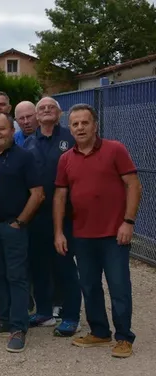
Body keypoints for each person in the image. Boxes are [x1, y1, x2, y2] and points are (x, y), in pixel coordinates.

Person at [55, 104, 141, 358]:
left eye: (85, 123)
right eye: (75, 124)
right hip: (82, 235)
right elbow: (60, 196)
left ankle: (124, 337)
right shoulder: (66, 159)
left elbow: (134, 185)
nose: (80, 128)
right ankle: (100, 332)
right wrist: (59, 231)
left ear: (95, 125)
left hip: (114, 234)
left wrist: (128, 221)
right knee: (90, 286)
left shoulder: (116, 149)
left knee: (119, 286)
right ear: (69, 128)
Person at [0, 114, 44, 353]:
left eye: (1, 129)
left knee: (17, 277)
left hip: (12, 227)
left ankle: (18, 327)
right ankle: (2, 320)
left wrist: (21, 221)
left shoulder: (25, 157)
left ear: (12, 130)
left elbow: (37, 193)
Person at [24, 97, 82, 336]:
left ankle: (71, 316)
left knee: (64, 266)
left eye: (51, 107)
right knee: (38, 266)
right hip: (36, 216)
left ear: (60, 113)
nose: (46, 110)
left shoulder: (71, 138)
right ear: (36, 116)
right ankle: (44, 311)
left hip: (66, 216)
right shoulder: (28, 143)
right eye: (41, 108)